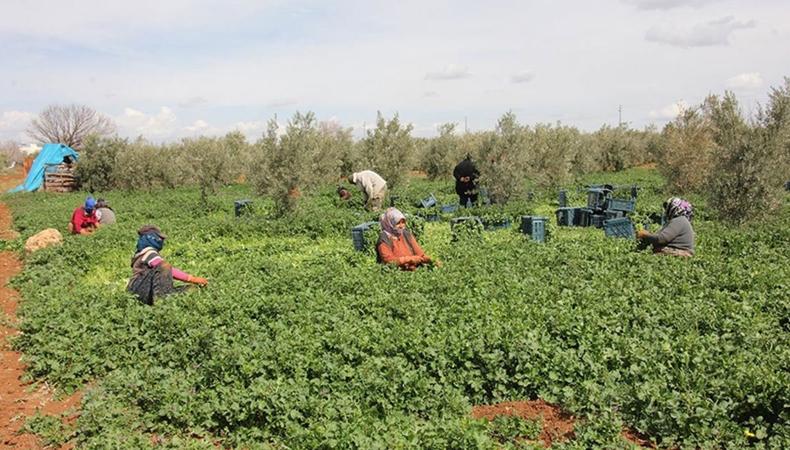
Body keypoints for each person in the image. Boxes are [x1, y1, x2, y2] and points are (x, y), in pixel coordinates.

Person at [127, 225, 208, 305]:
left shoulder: (141, 254)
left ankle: (164, 297)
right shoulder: (149, 253)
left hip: (139, 291)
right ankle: (161, 300)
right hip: (140, 289)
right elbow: (165, 268)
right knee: (164, 266)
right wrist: (192, 279)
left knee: (191, 289)